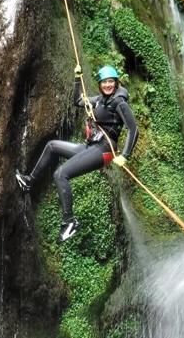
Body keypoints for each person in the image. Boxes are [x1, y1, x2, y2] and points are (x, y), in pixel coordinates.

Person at [16, 64, 138, 242]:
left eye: (111, 81)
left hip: (104, 149)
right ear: (100, 84)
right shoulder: (100, 100)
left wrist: (125, 155)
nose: (107, 85)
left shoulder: (119, 102)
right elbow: (77, 102)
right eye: (104, 82)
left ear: (116, 82)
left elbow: (133, 129)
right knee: (52, 146)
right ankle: (28, 182)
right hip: (92, 147)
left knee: (60, 174)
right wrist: (76, 79)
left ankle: (69, 222)